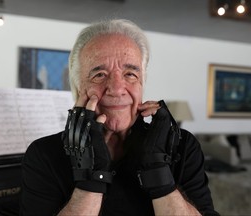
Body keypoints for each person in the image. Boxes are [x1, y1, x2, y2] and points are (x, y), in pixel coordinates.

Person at [20, 19, 219, 216]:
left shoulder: (182, 146)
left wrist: (157, 168)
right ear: (79, 88)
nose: (116, 89)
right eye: (99, 75)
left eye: (130, 74)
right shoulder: (44, 153)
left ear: (142, 83)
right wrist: (90, 178)